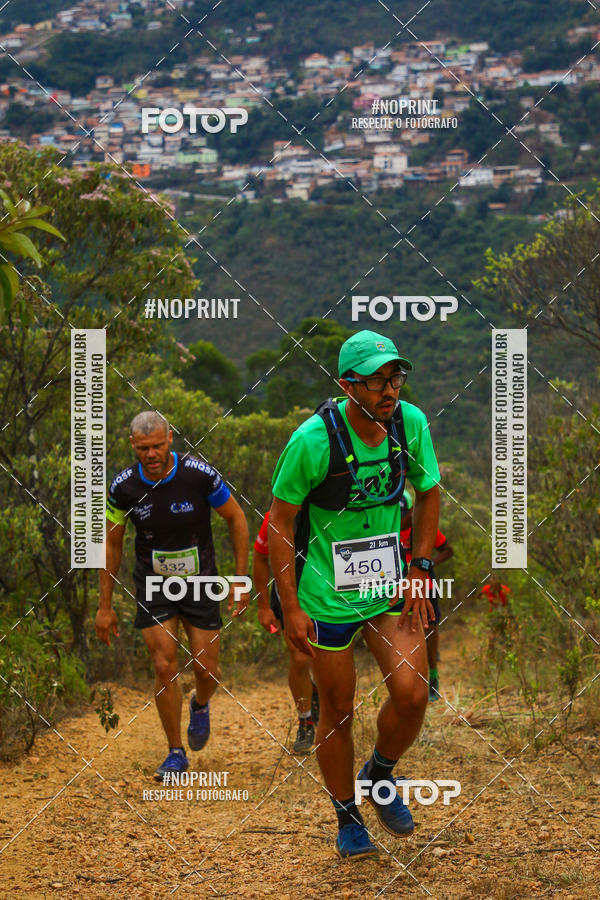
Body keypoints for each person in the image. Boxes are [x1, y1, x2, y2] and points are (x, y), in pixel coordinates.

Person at [269, 329, 441, 860]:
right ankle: (347, 818)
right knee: (338, 709)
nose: (390, 391)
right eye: (377, 382)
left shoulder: (409, 424)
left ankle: (379, 775)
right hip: (326, 596)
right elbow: (280, 522)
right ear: (348, 386)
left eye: (396, 378)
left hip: (387, 585)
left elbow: (429, 490)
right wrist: (291, 607)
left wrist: (421, 567)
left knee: (413, 695)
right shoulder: (312, 441)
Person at [95, 411, 249, 779]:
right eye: (144, 448)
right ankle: (175, 753)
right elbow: (111, 543)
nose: (151, 453)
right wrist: (104, 606)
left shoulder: (198, 474)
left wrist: (240, 580)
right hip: (153, 583)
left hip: (200, 581)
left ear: (170, 440)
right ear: (132, 445)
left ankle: (200, 703)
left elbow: (237, 519)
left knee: (206, 669)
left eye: (158, 445)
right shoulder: (123, 487)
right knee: (164, 665)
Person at [253, 511, 320, 752]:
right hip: (290, 594)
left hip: (326, 591)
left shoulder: (330, 506)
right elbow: (260, 558)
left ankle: (318, 693)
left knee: (325, 657)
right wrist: (262, 607)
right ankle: (305, 721)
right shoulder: (276, 514)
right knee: (300, 658)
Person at [399, 492, 453, 702]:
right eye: (398, 512)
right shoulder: (389, 527)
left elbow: (448, 550)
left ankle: (433, 675)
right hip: (399, 588)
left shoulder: (421, 527)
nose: (401, 517)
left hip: (425, 584)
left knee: (430, 628)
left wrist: (429, 563)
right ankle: (410, 678)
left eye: (404, 513)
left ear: (412, 511)